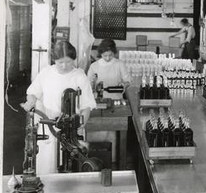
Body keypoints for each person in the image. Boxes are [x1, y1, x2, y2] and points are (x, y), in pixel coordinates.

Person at [21, 40, 97, 174]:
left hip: (71, 129)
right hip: (48, 126)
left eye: (68, 62)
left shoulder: (79, 76)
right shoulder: (46, 73)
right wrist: (30, 101)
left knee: (72, 166)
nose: (64, 66)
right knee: (47, 168)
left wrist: (79, 125)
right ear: (54, 60)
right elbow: (32, 93)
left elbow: (87, 106)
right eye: (60, 62)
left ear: (74, 59)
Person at [87, 38, 131, 167]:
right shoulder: (94, 66)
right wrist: (92, 83)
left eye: (110, 55)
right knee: (98, 130)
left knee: (114, 131)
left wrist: (124, 84)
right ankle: (97, 159)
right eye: (105, 55)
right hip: (98, 102)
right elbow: (88, 84)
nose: (107, 58)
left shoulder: (119, 64)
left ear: (114, 53)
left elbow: (128, 80)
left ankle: (114, 161)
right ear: (100, 54)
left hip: (116, 101)